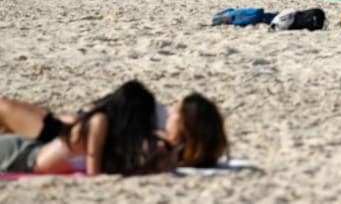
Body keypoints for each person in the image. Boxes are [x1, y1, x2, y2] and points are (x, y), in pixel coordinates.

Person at [0, 89, 228, 170]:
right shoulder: (162, 148)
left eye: (176, 111)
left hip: (60, 136)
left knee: (4, 109)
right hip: (64, 136)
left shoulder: (152, 133)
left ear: (184, 125)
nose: (171, 111)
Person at [0, 80, 161, 175]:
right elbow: (93, 172)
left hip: (23, 156)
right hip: (19, 155)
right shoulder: (99, 121)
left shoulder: (109, 133)